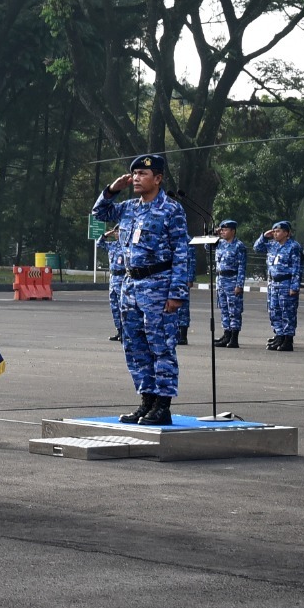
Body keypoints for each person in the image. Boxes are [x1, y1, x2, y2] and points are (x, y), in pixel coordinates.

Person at [91, 154, 191, 426]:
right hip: (130, 286)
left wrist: (176, 293)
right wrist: (112, 190)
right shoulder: (129, 208)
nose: (136, 178)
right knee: (134, 346)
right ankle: (146, 401)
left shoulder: (171, 210)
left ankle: (163, 405)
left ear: (158, 178)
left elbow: (182, 253)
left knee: (161, 346)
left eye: (142, 174)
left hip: (158, 286)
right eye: (133, 174)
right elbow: (99, 213)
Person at [253, 221, 302, 351]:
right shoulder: (272, 246)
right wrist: (264, 236)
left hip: (286, 282)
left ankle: (288, 339)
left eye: (278, 231)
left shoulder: (293, 246)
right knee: (274, 310)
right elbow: (257, 247)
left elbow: (297, 268)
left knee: (287, 312)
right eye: (274, 231)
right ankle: (279, 335)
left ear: (287, 233)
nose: (275, 233)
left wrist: (294, 287)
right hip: (273, 283)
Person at [212, 219, 246, 348]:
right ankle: (226, 334)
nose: (223, 232)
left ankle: (234, 337)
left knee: (234, 310)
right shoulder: (220, 243)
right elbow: (206, 246)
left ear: (233, 231)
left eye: (225, 230)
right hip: (221, 280)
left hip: (232, 279)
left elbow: (242, 267)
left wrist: (239, 285)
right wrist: (214, 234)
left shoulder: (239, 246)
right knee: (224, 309)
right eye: (221, 230)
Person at [96, 227, 125, 341]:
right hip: (113, 279)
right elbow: (99, 243)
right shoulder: (112, 245)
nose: (117, 233)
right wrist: (109, 233)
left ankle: (125, 332)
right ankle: (119, 331)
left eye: (119, 231)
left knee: (123, 307)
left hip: (122, 278)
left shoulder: (126, 246)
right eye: (116, 232)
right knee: (114, 307)